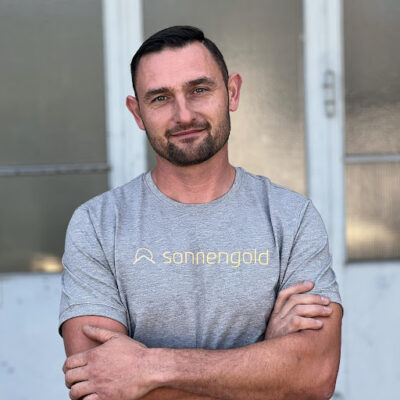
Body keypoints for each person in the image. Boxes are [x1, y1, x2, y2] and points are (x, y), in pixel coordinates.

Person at [59, 26, 343, 400]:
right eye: (160, 98)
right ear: (137, 112)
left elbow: (315, 375)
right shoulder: (98, 224)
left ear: (232, 92)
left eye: (199, 90)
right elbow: (97, 386)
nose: (183, 114)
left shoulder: (291, 217)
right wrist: (267, 362)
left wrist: (148, 368)